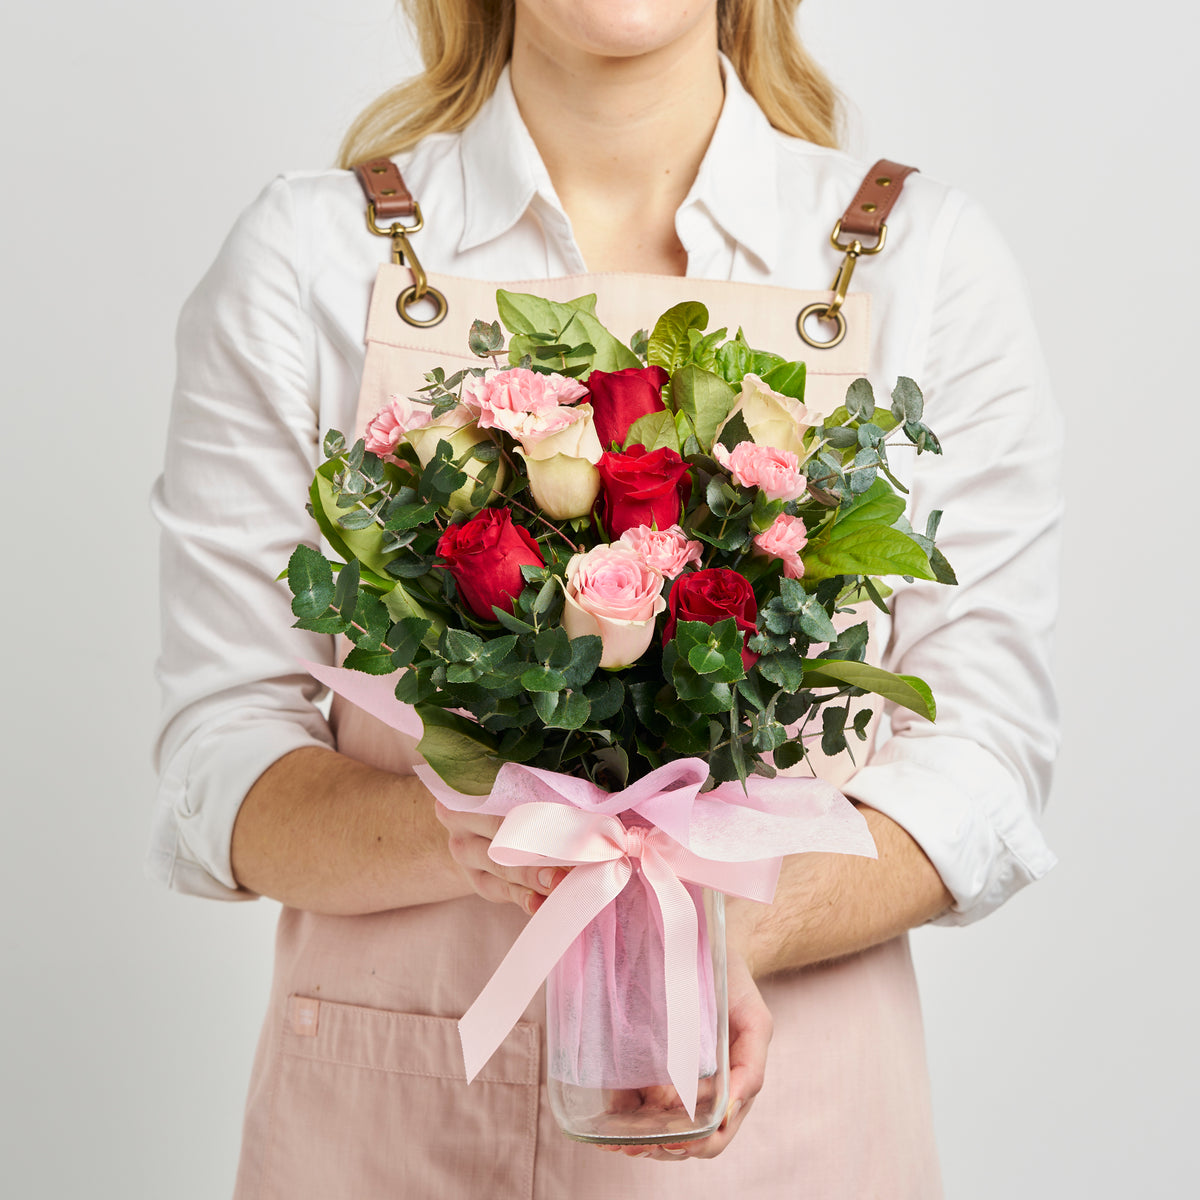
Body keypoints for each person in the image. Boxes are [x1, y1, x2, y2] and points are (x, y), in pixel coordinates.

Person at [149, 1, 1061, 1195]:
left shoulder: (921, 258)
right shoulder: (309, 258)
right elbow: (220, 759)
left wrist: (725, 931)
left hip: (795, 1133)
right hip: (389, 1127)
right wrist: (461, 833)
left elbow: (986, 759)